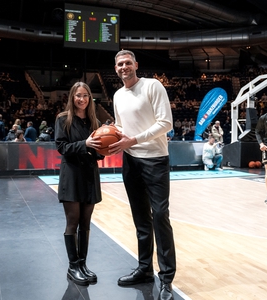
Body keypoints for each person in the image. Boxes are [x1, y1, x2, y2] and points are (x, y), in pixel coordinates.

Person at [109, 50, 176, 300]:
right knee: (141, 219)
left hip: (155, 159)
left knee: (160, 216)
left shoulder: (152, 86)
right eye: (120, 64)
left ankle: (166, 278)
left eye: (128, 63)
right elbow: (119, 126)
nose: (124, 67)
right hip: (131, 160)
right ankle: (145, 269)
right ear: (115, 68)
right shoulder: (117, 95)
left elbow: (166, 123)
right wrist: (104, 132)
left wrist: (134, 140)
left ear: (136, 65)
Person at [54, 82, 103, 286]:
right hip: (72, 175)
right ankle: (72, 266)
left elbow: (99, 152)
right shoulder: (63, 119)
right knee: (72, 221)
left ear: (90, 98)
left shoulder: (94, 121)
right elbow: (61, 147)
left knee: (86, 222)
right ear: (72, 97)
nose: (81, 99)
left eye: (85, 95)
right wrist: (85, 144)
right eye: (78, 95)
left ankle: (82, 264)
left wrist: (105, 148)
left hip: (89, 174)